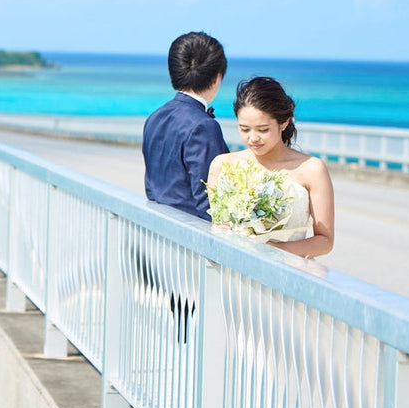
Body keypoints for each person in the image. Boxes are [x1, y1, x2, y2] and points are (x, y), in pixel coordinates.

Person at [207, 76, 334, 258]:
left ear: (284, 122)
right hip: (231, 274)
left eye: (263, 129)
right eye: (244, 129)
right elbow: (218, 226)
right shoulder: (221, 165)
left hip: (286, 277)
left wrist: (272, 253)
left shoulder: (312, 169)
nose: (253, 138)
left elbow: (325, 240)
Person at [143, 31, 229, 220]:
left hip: (153, 229)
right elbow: (209, 202)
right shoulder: (204, 126)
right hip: (187, 240)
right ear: (216, 78)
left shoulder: (154, 118)